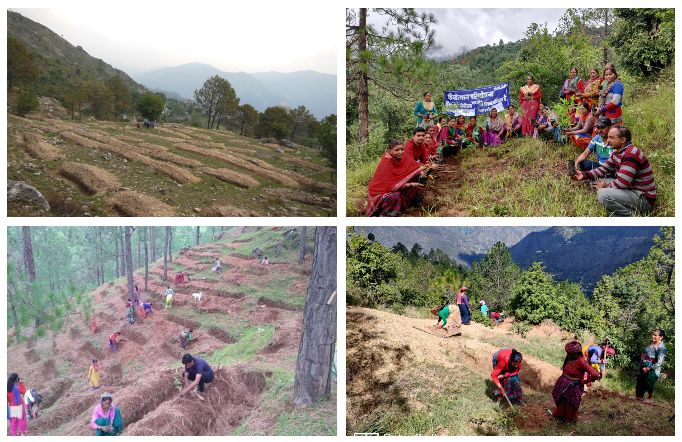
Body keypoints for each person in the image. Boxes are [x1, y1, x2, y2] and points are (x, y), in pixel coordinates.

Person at [573, 126, 655, 216]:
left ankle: (631, 217)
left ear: (623, 140)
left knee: (603, 194)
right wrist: (584, 175)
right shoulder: (617, 153)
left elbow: (623, 182)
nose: (607, 140)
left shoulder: (631, 153)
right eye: (608, 137)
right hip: (631, 189)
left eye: (611, 137)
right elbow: (603, 169)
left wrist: (606, 187)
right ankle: (616, 208)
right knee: (596, 181)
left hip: (643, 197)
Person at [366, 139, 427, 217]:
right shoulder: (386, 163)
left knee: (419, 177)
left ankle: (411, 204)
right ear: (390, 151)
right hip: (380, 193)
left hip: (395, 187)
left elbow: (416, 167)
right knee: (395, 196)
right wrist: (411, 185)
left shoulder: (403, 158)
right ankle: (387, 214)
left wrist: (423, 172)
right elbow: (389, 186)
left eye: (402, 149)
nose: (400, 152)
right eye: (397, 150)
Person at [551, 340, 601, 423]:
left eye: (570, 353)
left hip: (574, 385)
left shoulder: (581, 361)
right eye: (568, 353)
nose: (568, 355)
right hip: (563, 382)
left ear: (576, 353)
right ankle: (560, 415)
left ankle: (568, 420)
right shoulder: (569, 357)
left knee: (571, 403)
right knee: (561, 399)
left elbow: (595, 375)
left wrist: (583, 382)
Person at [636, 329, 667, 403]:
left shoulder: (661, 348)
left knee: (649, 383)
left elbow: (659, 362)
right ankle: (638, 397)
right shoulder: (652, 343)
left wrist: (648, 368)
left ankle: (650, 398)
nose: (653, 336)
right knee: (640, 381)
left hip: (652, 370)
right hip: (643, 367)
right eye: (653, 334)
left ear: (661, 337)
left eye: (655, 335)